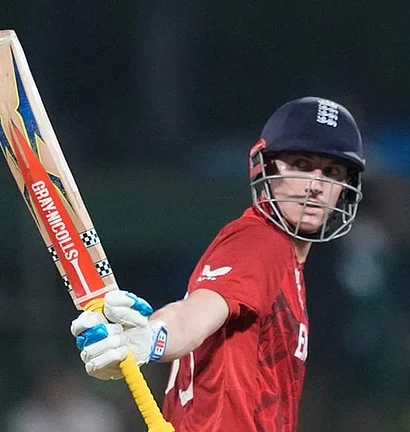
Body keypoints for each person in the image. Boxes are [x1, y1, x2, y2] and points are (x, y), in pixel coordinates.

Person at [71, 96, 366, 431]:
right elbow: (197, 314)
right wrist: (153, 336)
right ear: (266, 167)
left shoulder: (288, 264)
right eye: (300, 164)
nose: (316, 185)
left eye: (331, 171)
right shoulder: (261, 242)